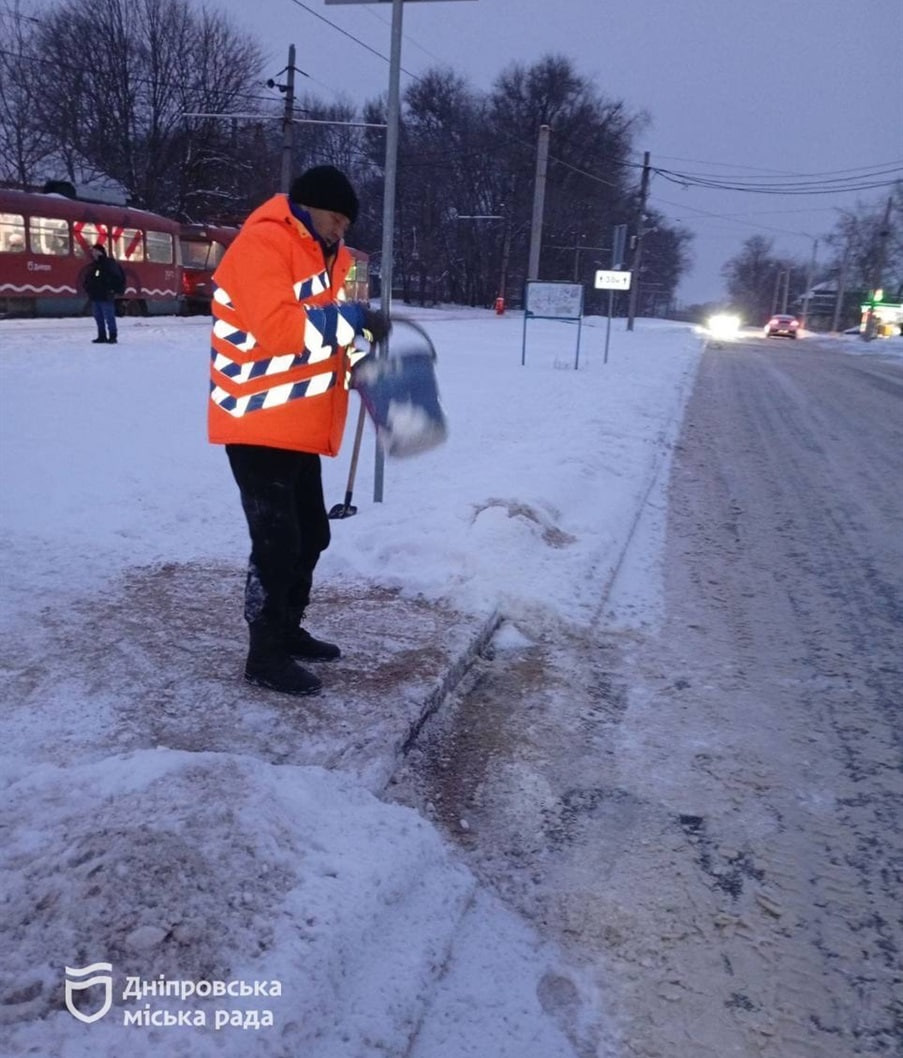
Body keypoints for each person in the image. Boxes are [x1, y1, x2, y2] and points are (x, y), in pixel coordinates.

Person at [209, 165, 390, 697]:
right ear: (310, 207)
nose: (341, 230)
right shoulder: (262, 244)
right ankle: (263, 654)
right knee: (276, 542)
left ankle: (286, 631)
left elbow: (323, 327)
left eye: (346, 223)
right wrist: (354, 319)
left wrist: (358, 357)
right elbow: (280, 329)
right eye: (337, 219)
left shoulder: (325, 256)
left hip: (296, 418)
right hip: (255, 414)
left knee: (312, 533)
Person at [83, 243, 124, 344]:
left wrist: (112, 289)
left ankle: (112, 336)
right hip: (96, 295)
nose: (92, 253)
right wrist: (88, 288)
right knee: (99, 317)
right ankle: (102, 336)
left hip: (105, 295)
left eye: (94, 251)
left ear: (99, 251)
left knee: (109, 317)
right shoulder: (94, 265)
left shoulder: (108, 264)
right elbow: (88, 279)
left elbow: (117, 277)